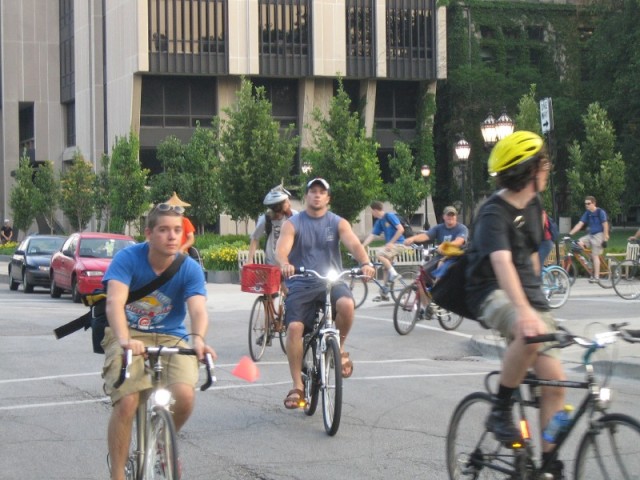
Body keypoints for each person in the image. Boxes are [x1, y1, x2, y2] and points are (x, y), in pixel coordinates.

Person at [465, 131, 566, 477]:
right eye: (544, 163)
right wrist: (524, 312)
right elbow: (503, 263)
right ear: (530, 170)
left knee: (556, 383)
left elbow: (531, 259)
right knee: (528, 335)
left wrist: (539, 308)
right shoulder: (494, 213)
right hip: (491, 291)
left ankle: (549, 465)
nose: (548, 168)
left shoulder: (534, 205)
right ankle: (500, 409)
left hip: (527, 293)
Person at [102, 203, 216, 480]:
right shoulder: (128, 259)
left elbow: (198, 310)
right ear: (149, 233)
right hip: (128, 333)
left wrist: (198, 340)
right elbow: (114, 302)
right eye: (164, 230)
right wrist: (125, 340)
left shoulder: (189, 268)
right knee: (127, 401)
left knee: (185, 396)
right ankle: (117, 474)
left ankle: (163, 442)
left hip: (172, 335)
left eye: (177, 230)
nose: (172, 236)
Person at [276, 178, 375, 409]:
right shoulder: (293, 223)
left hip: (331, 280)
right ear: (306, 197)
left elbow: (354, 244)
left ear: (328, 198)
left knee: (347, 305)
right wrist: (285, 263)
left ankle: (339, 349)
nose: (317, 195)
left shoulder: (337, 222)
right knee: (294, 328)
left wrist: (365, 263)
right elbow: (282, 249)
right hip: (301, 282)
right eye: (313, 191)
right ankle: (297, 385)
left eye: (322, 192)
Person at [361, 201, 409, 301]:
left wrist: (391, 242)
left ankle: (394, 274)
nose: (371, 213)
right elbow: (372, 235)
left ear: (375, 210)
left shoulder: (389, 216)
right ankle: (384, 293)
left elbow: (401, 229)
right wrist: (361, 246)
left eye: (371, 211)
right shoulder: (379, 221)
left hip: (399, 244)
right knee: (385, 269)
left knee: (379, 254)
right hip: (392, 246)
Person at [248, 183, 298, 265]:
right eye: (286, 201)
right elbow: (255, 238)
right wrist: (250, 260)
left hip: (289, 264)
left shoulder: (293, 216)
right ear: (279, 206)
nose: (290, 203)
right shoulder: (266, 219)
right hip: (271, 264)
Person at [568, 196, 609, 283]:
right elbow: (580, 224)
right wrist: (570, 234)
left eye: (588, 203)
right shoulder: (587, 213)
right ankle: (590, 258)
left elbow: (605, 225)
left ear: (594, 203)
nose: (586, 205)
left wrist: (605, 239)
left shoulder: (600, 212)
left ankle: (596, 277)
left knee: (595, 255)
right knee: (578, 243)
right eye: (585, 204)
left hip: (599, 235)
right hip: (591, 235)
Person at [403, 205, 468, 252]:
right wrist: (412, 239)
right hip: (441, 255)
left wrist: (445, 245)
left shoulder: (462, 228)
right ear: (443, 216)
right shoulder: (438, 228)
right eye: (448, 215)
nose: (450, 217)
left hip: (456, 257)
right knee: (428, 266)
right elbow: (426, 235)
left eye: (452, 215)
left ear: (456, 217)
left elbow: (459, 241)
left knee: (441, 265)